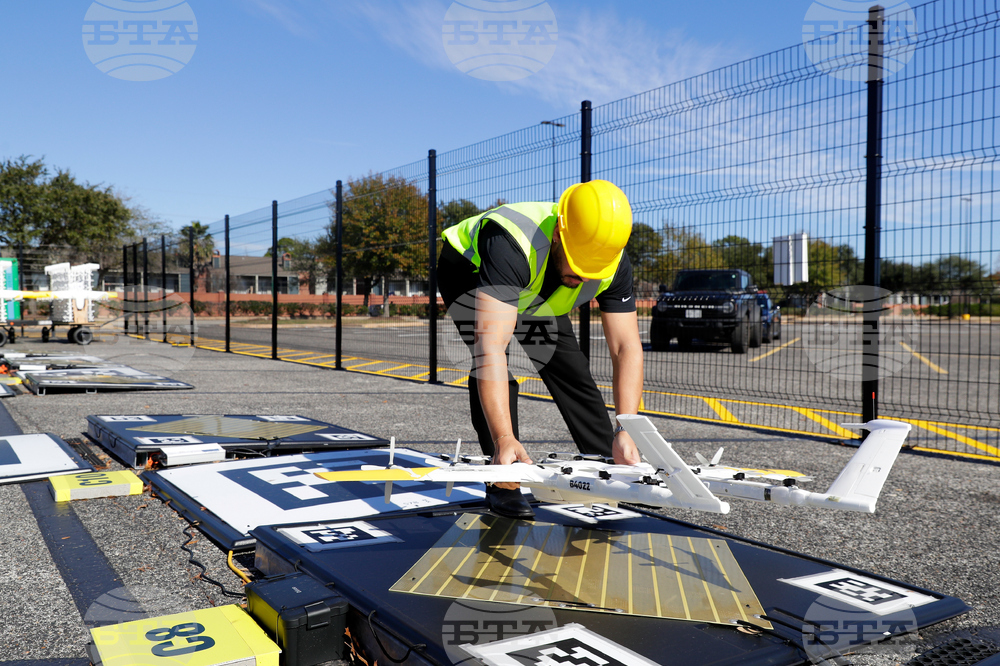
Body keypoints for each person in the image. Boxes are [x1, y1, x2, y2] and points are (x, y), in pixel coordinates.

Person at [437, 180, 644, 519]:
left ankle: (610, 460)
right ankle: (504, 476)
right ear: (559, 235)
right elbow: (491, 348)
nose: (584, 277)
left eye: (592, 271)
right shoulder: (511, 242)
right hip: (469, 272)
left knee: (570, 368)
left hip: (537, 285)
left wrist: (626, 430)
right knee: (496, 366)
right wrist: (504, 436)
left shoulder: (612, 260)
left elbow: (626, 347)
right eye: (578, 266)